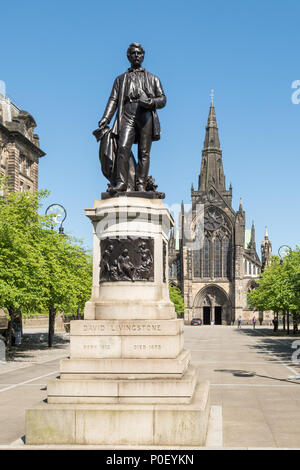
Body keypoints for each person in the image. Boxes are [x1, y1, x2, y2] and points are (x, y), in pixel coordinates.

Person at [98, 43, 166, 192]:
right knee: (122, 147)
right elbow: (113, 100)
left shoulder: (153, 79)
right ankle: (122, 182)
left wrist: (149, 102)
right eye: (133, 53)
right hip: (127, 114)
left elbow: (162, 99)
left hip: (145, 114)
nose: (136, 56)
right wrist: (105, 118)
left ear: (143, 56)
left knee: (144, 152)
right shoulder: (120, 79)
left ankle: (141, 184)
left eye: (139, 53)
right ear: (128, 56)